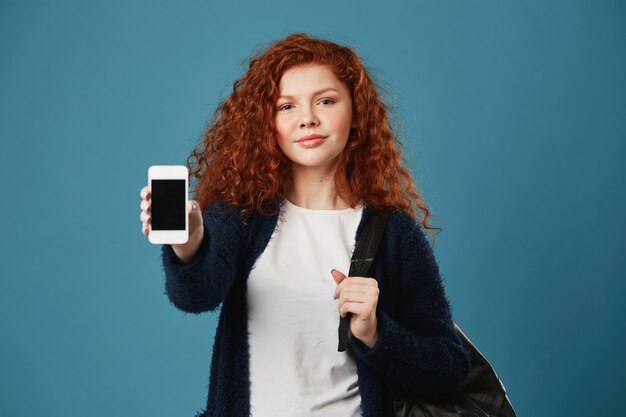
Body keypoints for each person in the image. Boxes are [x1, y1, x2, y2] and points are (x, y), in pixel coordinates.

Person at [139, 32, 470, 417]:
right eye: (286, 106)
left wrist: (375, 332)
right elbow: (196, 296)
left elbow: (449, 369)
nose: (308, 119)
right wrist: (191, 241)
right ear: (267, 122)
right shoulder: (241, 214)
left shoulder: (393, 233)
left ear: (356, 112)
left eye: (326, 101)